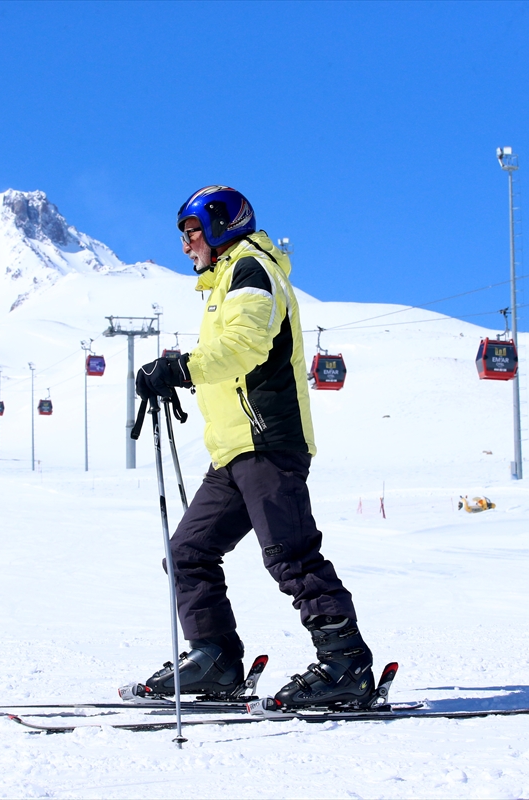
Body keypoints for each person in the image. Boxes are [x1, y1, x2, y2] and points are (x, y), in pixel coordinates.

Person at [132, 186, 374, 710]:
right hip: (235, 451)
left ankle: (345, 664)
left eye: (191, 233)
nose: (186, 246)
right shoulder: (225, 281)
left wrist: (179, 367)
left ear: (220, 225)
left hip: (267, 441)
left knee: (291, 554)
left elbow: (244, 346)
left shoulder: (251, 270)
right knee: (188, 553)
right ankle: (214, 658)